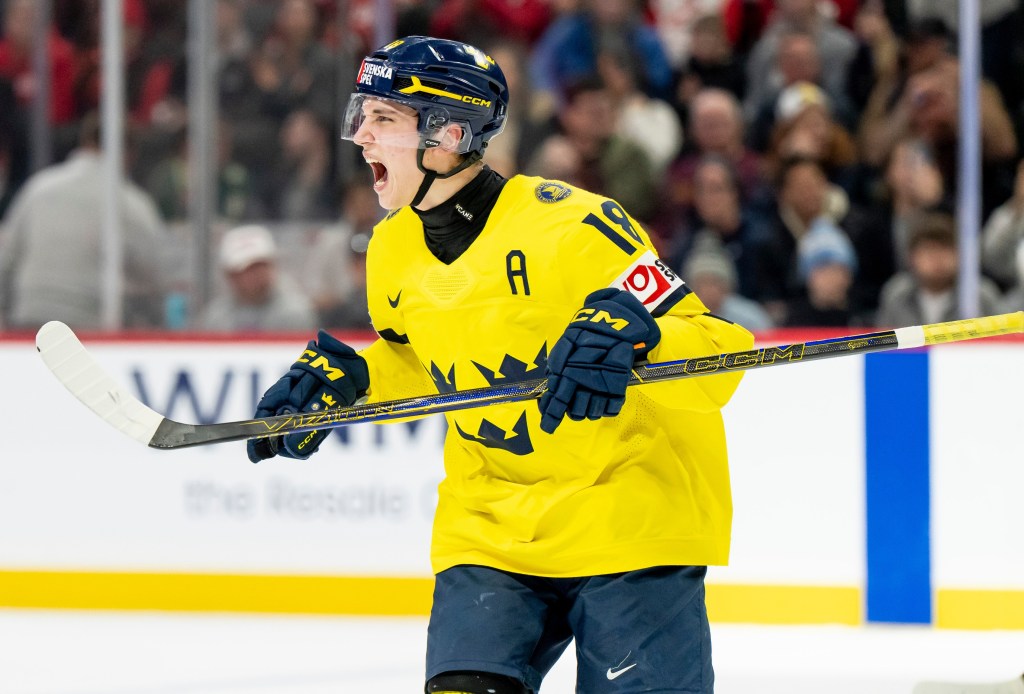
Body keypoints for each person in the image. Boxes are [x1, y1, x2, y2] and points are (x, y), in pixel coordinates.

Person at [247, 36, 754, 694]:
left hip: (630, 523)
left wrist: (644, 340)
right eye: (362, 116)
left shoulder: (575, 229)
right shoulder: (391, 247)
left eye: (384, 120)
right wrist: (357, 381)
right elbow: (424, 359)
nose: (362, 138)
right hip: (491, 531)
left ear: (450, 133)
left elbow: (723, 357)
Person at [0, 113, 165, 330]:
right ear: (130, 154)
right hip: (91, 326)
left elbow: (6, 259)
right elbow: (152, 279)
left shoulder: (38, 188)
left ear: (85, 141)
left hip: (29, 316)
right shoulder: (129, 202)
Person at [875, 211, 1002, 328]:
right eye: (929, 250)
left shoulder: (980, 295)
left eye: (945, 249)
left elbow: (1000, 344)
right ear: (911, 257)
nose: (937, 258)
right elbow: (883, 344)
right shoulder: (896, 294)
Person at [197, 223, 317, 332]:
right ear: (230, 275)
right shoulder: (215, 318)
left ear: (272, 267)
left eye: (258, 266)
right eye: (243, 269)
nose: (252, 276)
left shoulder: (294, 313)